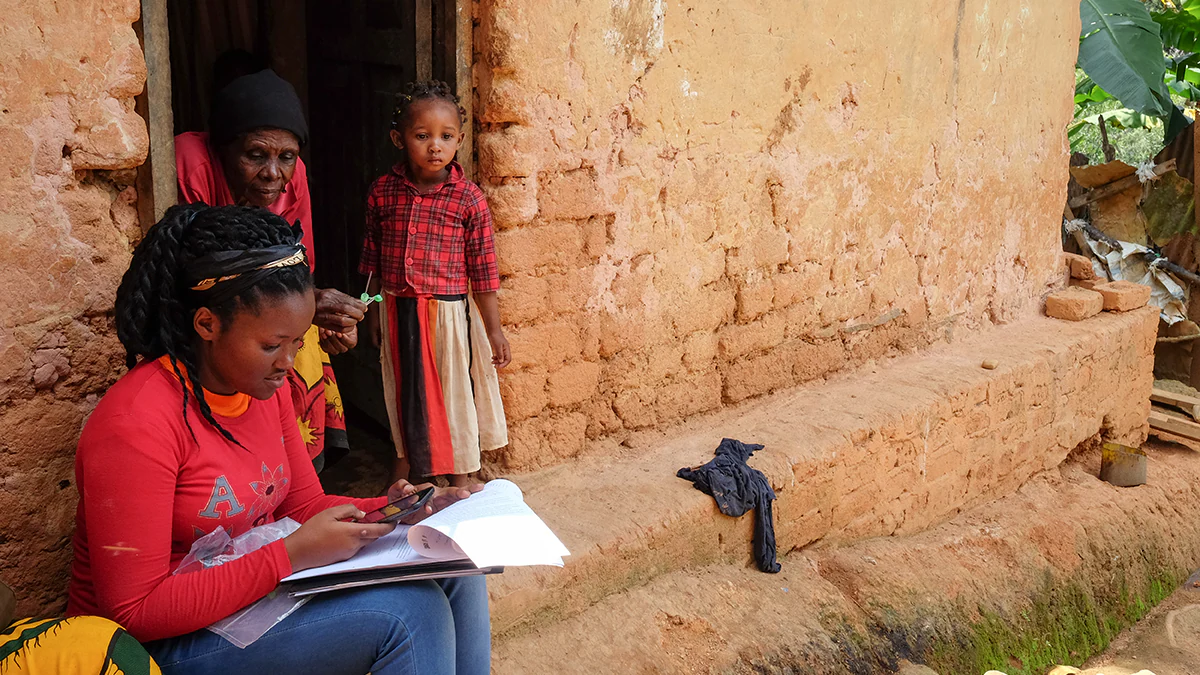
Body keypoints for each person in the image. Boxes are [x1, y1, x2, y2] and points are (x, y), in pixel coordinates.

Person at [66, 204, 491, 674]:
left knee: (456, 568)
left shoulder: (259, 388)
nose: (288, 363)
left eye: (297, 342)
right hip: (153, 648)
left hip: (246, 598)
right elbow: (134, 610)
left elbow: (301, 505)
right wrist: (289, 555)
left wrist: (408, 512)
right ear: (207, 324)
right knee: (410, 612)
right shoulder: (137, 423)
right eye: (272, 345)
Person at [175, 68, 363, 471]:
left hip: (265, 313)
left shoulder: (293, 181)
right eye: (255, 155)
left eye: (287, 157)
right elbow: (196, 278)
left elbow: (299, 268)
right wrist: (307, 302)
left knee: (301, 341)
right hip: (204, 315)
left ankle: (297, 476)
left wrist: (321, 317)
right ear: (223, 148)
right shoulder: (192, 164)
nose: (273, 174)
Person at [360, 81, 511, 488]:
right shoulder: (383, 192)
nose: (434, 147)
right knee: (403, 392)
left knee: (453, 394)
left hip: (447, 317)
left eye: (446, 137)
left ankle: (462, 474)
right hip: (395, 310)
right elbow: (371, 261)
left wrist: (494, 330)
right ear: (399, 139)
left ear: (459, 140)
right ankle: (404, 467)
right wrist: (371, 307)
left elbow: (484, 271)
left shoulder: (468, 199)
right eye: (422, 136)